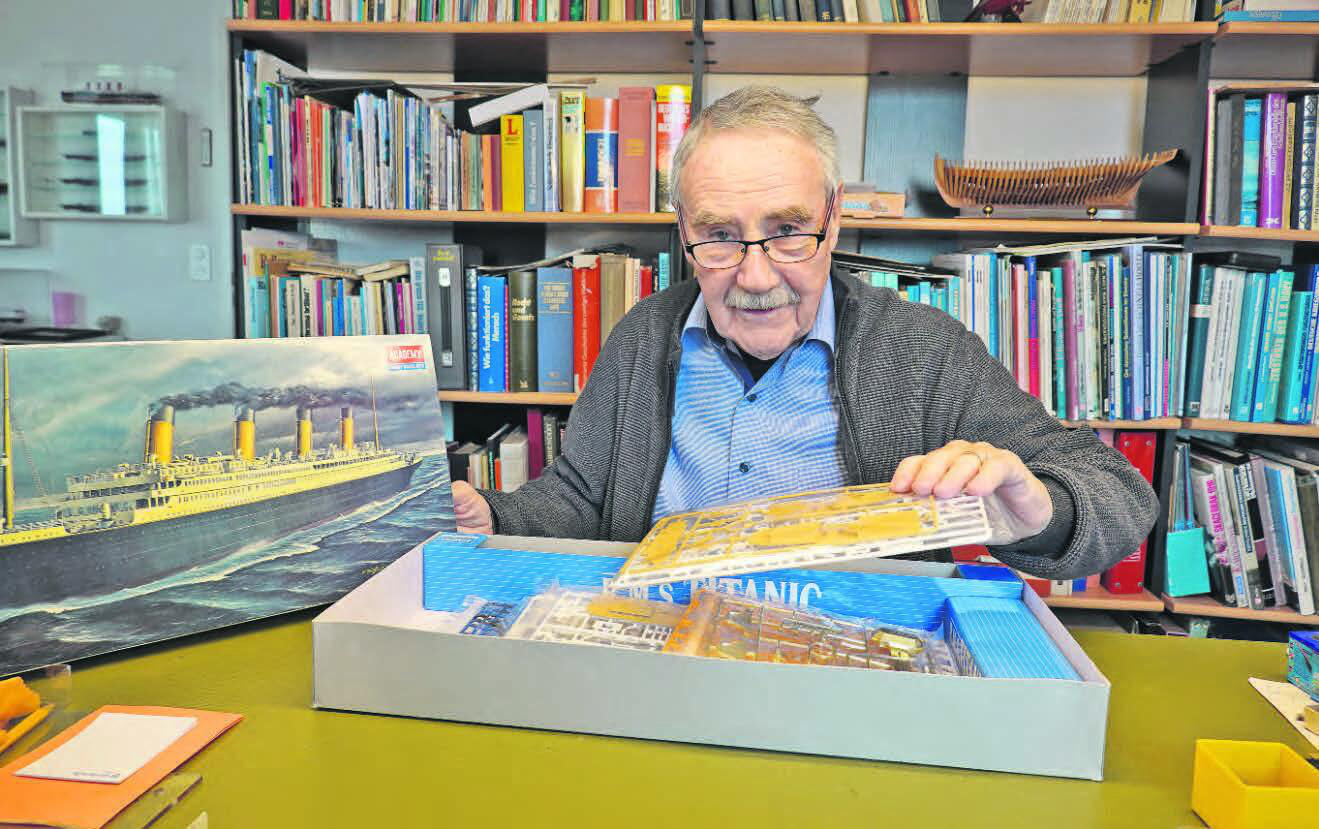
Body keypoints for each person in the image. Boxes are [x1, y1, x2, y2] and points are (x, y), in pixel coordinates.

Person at [451, 85, 1158, 579]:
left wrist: (1040, 506)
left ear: (834, 217)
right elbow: (577, 497)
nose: (756, 277)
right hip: (663, 654)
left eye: (788, 230)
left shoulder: (925, 350)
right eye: (719, 236)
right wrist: (493, 516)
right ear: (683, 230)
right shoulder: (643, 336)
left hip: (853, 668)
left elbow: (1120, 494)